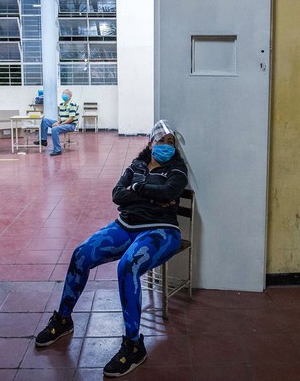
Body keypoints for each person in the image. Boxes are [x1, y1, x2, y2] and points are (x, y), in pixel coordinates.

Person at [35, 120, 188, 378]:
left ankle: (133, 345)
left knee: (128, 266)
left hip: (161, 231)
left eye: (170, 143)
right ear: (150, 144)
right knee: (81, 254)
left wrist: (138, 188)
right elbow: (117, 195)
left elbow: (169, 192)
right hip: (125, 225)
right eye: (160, 142)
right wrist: (152, 194)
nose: (165, 147)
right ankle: (63, 319)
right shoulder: (137, 165)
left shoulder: (177, 169)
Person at [38, 89, 79, 156]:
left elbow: (71, 119)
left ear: (70, 96)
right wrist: (58, 122)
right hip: (62, 123)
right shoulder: (61, 105)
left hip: (70, 125)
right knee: (44, 120)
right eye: (63, 93)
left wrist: (60, 125)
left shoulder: (72, 105)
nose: (64, 95)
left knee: (55, 129)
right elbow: (60, 117)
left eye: (66, 94)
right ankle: (43, 140)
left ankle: (57, 150)